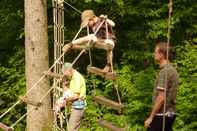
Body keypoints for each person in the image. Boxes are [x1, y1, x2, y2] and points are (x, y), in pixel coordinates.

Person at [144, 42, 179, 131]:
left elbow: (161, 97)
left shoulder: (165, 72)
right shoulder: (173, 70)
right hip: (171, 114)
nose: (154, 54)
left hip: (161, 115)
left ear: (162, 54)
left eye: (155, 52)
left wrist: (151, 117)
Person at [57, 62, 86, 131]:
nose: (66, 75)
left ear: (68, 70)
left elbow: (76, 96)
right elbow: (70, 92)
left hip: (78, 107)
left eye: (65, 73)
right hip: (75, 106)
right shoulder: (73, 78)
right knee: (74, 129)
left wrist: (65, 101)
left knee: (71, 129)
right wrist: (64, 84)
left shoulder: (77, 78)